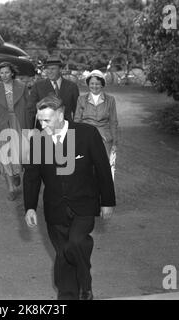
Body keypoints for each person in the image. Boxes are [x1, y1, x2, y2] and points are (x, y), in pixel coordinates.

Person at [23, 95, 116, 300]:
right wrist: (29, 207)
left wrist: (107, 201)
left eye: (47, 120)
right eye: (40, 120)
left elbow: (102, 169)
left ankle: (85, 282)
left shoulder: (86, 134)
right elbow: (32, 176)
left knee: (75, 243)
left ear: (61, 114)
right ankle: (67, 296)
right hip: (54, 207)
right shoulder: (38, 140)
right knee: (63, 253)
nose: (42, 124)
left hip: (84, 203)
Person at [0, 62, 33, 201]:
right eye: (1, 73)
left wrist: (30, 126)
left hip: (20, 122)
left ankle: (16, 173)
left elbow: (29, 106)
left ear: (12, 73)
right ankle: (11, 188)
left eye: (7, 72)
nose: (4, 75)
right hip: (3, 124)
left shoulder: (22, 86)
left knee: (21, 153)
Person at [74, 70, 118, 156]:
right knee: (87, 165)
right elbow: (77, 120)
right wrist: (77, 139)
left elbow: (113, 122)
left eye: (97, 84)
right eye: (92, 83)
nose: (94, 86)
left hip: (105, 138)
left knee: (104, 165)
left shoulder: (110, 100)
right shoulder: (81, 99)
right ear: (88, 84)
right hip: (86, 137)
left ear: (102, 85)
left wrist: (115, 141)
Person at [28, 56, 80, 125]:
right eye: (48, 69)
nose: (49, 72)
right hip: (44, 129)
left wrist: (76, 128)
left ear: (60, 69)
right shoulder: (37, 86)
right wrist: (30, 129)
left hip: (67, 128)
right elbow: (31, 110)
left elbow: (77, 110)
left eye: (53, 69)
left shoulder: (72, 86)